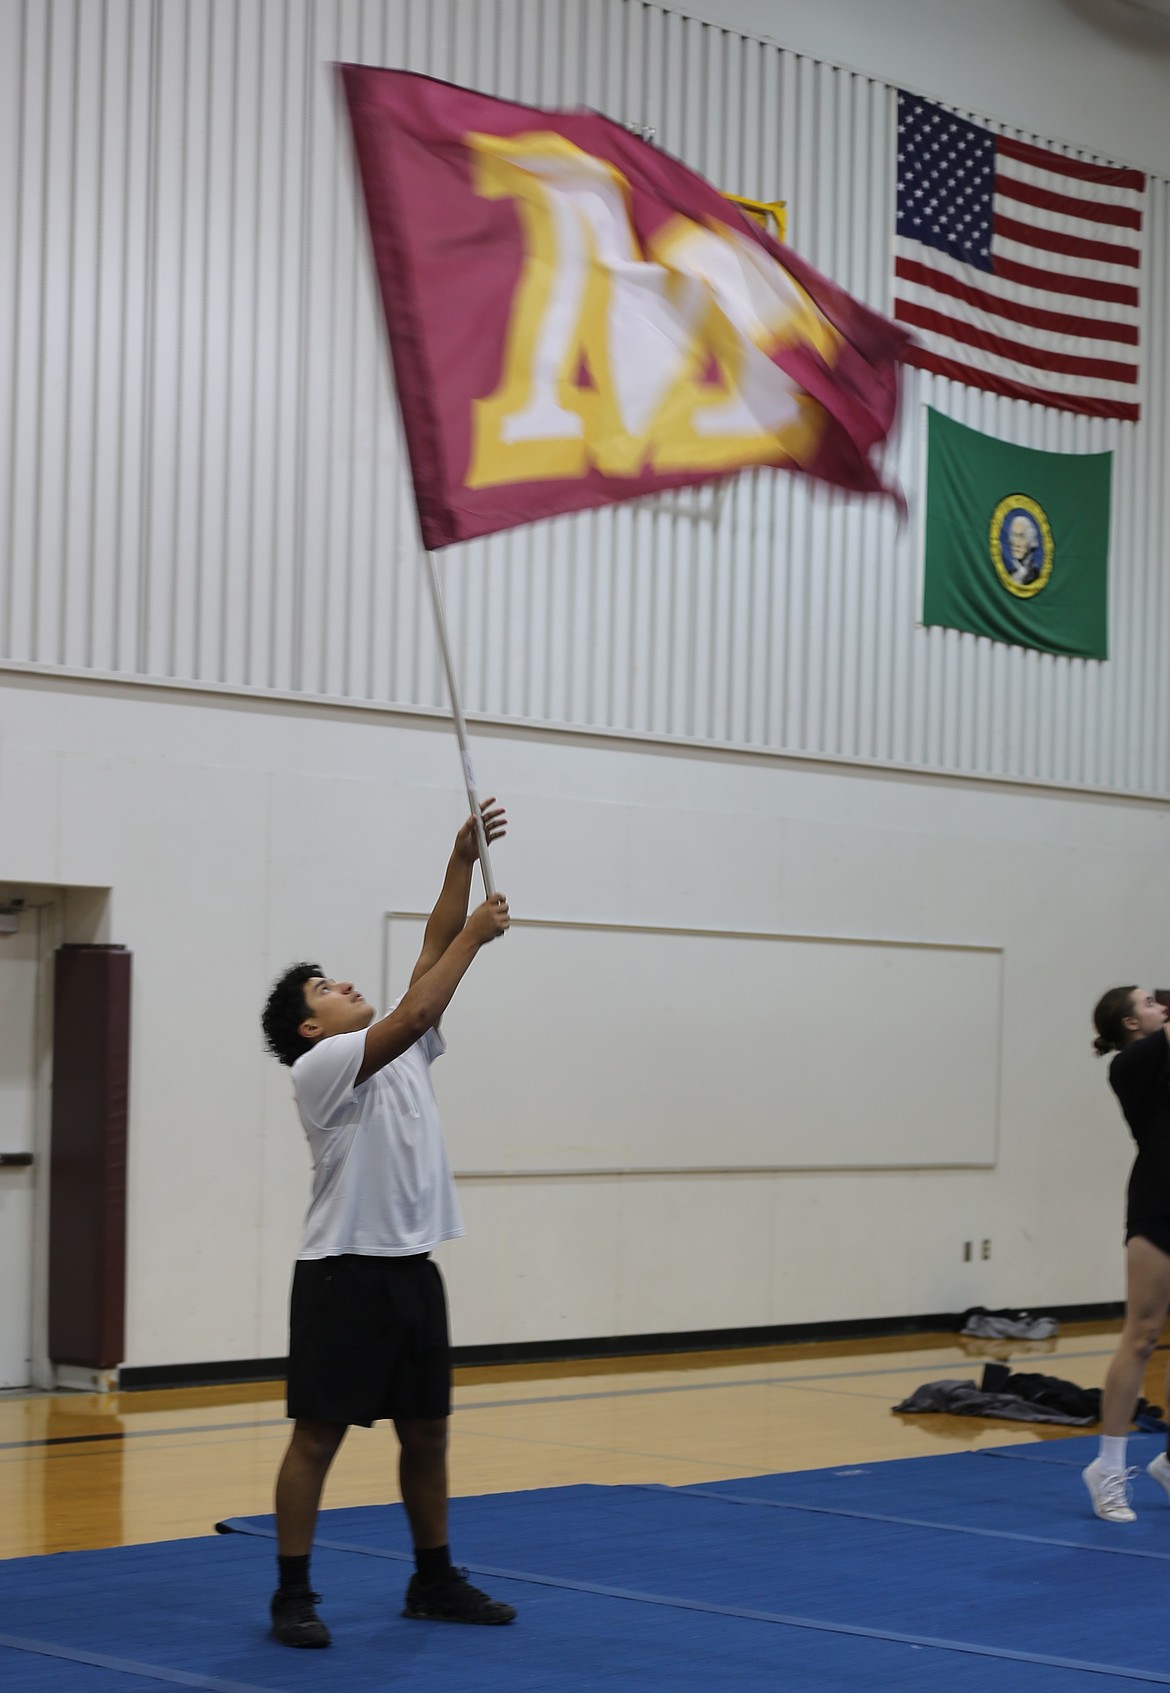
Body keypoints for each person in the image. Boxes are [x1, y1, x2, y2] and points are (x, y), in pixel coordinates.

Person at [260, 800, 515, 1645]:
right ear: (309, 1026)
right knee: (319, 1435)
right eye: (323, 989)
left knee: (429, 1431)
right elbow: (421, 1000)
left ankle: (433, 1578)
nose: (341, 985)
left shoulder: (396, 1046)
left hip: (411, 1266)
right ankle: (292, 1594)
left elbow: (430, 960)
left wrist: (458, 862)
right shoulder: (326, 1065)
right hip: (343, 1271)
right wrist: (477, 938)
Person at [1083, 985, 1170, 1521]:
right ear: (1129, 1023)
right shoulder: (1131, 1063)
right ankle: (1108, 1467)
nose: (1162, 1004)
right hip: (1159, 1203)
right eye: (1150, 1001)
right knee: (1141, 1335)